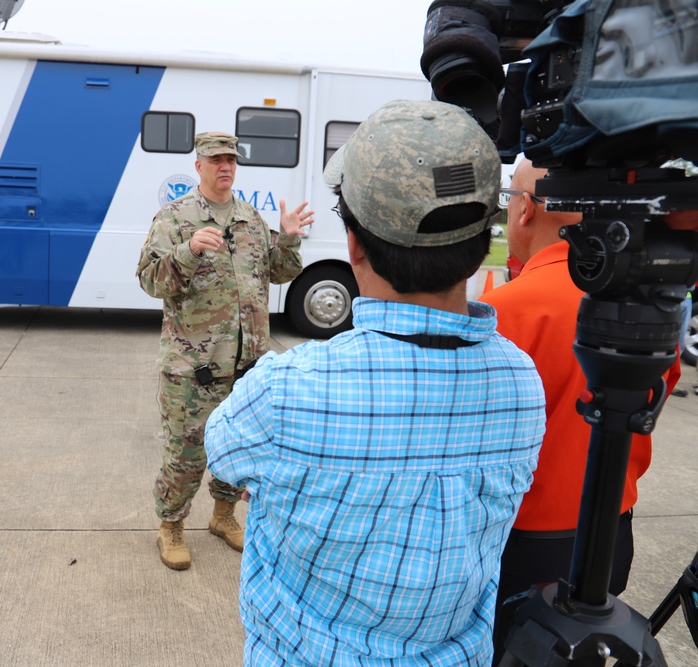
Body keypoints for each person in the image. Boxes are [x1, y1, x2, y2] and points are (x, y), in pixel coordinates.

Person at [204, 100, 546, 666]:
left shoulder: (288, 390)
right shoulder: (520, 384)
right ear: (485, 241)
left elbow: (225, 456)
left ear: (355, 244)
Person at [479, 157, 682, 663]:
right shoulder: (643, 306)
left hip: (524, 547)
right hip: (612, 530)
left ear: (525, 210)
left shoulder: (503, 310)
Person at [136, 131, 314, 571]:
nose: (225, 167)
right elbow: (149, 279)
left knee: (240, 449)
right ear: (198, 165)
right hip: (193, 367)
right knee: (186, 452)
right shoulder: (175, 217)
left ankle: (222, 516)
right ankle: (172, 526)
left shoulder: (251, 219)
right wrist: (188, 250)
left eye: (231, 159)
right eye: (216, 159)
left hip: (247, 366)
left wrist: (288, 239)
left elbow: (279, 272)